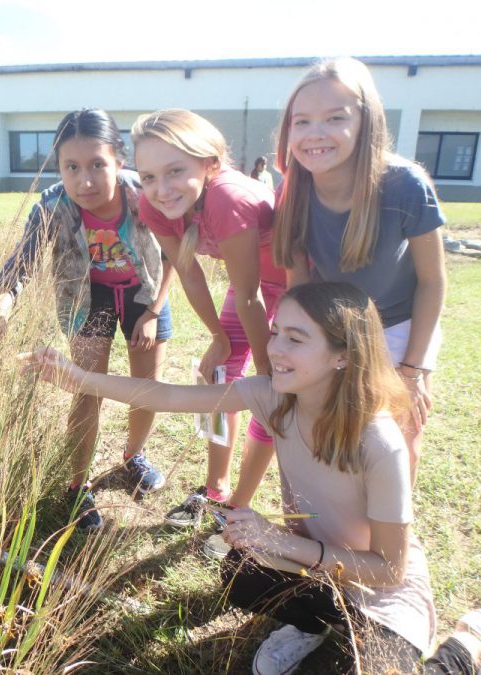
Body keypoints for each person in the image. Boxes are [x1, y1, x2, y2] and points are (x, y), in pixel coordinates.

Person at [20, 282, 481, 675]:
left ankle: (471, 645)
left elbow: (389, 569)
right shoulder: (270, 395)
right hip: (317, 567)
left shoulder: (380, 443)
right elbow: (167, 395)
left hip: (379, 589)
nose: (275, 347)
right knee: (238, 568)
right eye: (276, 331)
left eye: (296, 338)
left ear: (343, 355)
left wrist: (277, 539)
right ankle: (315, 622)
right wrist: (79, 378)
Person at [0, 108, 175, 532]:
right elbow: (19, 266)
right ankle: (77, 485)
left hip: (145, 294)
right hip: (86, 299)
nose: (84, 180)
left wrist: (154, 310)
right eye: (71, 167)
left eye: (97, 165)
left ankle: (133, 456)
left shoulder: (143, 196)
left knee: (147, 390)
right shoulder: (51, 207)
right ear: (59, 167)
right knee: (86, 388)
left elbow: (174, 253)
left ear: (119, 161)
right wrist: (1, 308)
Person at [272, 57, 447, 484]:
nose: (315, 133)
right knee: (329, 425)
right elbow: (301, 287)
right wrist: (298, 343)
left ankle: (392, 540)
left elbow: (433, 281)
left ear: (365, 121)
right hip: (336, 327)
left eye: (335, 118)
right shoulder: (293, 190)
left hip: (400, 324)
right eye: (302, 121)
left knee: (397, 434)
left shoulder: (405, 184)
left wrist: (413, 371)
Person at [131, 109, 285, 540]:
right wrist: (218, 338)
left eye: (175, 170)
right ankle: (215, 491)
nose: (161, 190)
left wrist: (268, 374)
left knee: (273, 393)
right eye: (147, 177)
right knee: (213, 377)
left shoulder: (226, 198)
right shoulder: (154, 204)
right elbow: (189, 271)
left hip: (295, 286)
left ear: (208, 162)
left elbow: (253, 294)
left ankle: (240, 503)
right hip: (252, 286)